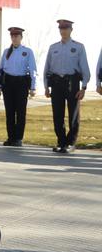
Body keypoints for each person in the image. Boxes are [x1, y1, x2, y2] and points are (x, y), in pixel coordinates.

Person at [44, 19, 90, 154]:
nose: (63, 31)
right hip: (56, 83)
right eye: (61, 29)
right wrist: (46, 86)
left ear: (71, 30)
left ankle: (71, 143)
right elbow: (47, 68)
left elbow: (85, 69)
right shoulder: (53, 48)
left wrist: (84, 87)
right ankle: (61, 141)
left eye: (66, 29)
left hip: (72, 83)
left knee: (73, 114)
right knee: (57, 114)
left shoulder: (78, 47)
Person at [0, 27, 37, 147]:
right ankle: (11, 137)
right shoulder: (6, 52)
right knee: (9, 112)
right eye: (12, 36)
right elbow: (1, 69)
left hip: (21, 83)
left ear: (21, 37)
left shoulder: (27, 52)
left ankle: (18, 138)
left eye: (17, 36)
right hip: (8, 84)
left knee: (20, 112)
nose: (14, 38)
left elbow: (33, 70)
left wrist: (33, 87)